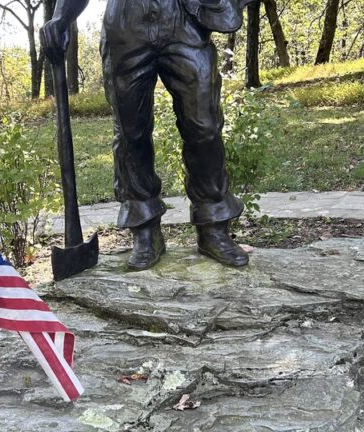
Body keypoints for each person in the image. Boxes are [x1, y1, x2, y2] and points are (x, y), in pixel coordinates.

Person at [41, 0, 252, 270]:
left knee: (205, 125)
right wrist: (61, 17)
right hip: (126, 25)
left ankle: (213, 225)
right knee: (131, 132)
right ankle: (145, 227)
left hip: (185, 21)